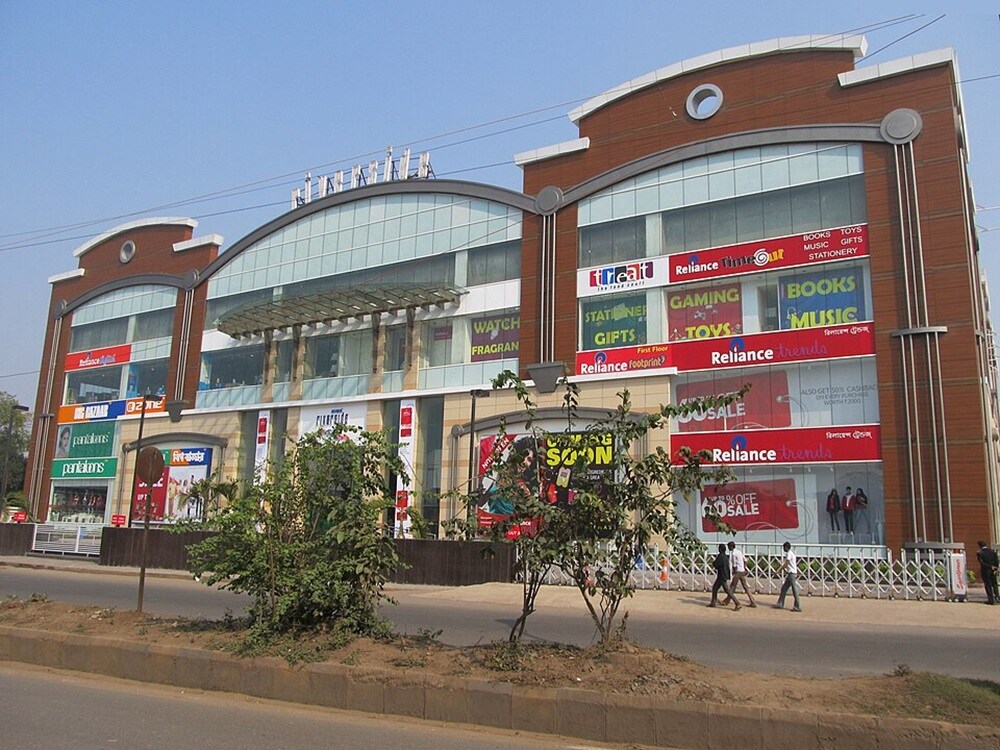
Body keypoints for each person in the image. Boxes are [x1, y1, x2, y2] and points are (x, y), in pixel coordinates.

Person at [722, 540, 756, 607]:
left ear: (731, 547)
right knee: (745, 587)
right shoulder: (739, 552)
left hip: (738, 572)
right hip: (742, 571)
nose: (728, 548)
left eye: (729, 547)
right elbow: (745, 561)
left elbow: (734, 564)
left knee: (732, 587)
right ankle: (752, 601)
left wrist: (733, 572)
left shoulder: (733, 554)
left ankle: (726, 601)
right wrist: (744, 568)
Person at [708, 543, 741, 610]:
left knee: (727, 590)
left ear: (720, 549)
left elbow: (716, 565)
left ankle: (737, 603)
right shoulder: (725, 556)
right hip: (724, 575)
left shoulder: (720, 556)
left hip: (721, 576)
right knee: (715, 588)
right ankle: (713, 602)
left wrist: (713, 563)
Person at [774, 541, 802, 612]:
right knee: (784, 588)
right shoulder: (792, 553)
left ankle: (797, 606)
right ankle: (780, 603)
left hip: (791, 574)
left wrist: (779, 570)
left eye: (784, 547)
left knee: (794, 590)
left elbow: (786, 563)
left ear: (786, 547)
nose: (783, 549)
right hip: (791, 573)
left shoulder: (789, 554)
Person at [976, 541, 999, 605]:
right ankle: (997, 597)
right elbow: (997, 560)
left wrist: (990, 566)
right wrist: (996, 567)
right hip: (993, 569)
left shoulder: (980, 553)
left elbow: (982, 563)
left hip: (985, 570)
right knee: (994, 584)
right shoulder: (992, 551)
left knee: (988, 585)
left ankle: (991, 600)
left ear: (980, 546)